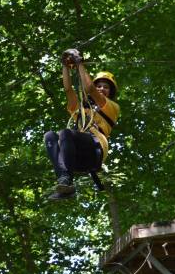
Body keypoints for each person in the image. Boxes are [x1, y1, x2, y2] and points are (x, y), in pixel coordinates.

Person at [44, 49, 120, 200]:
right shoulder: (82, 111)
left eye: (106, 87)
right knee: (50, 136)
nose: (101, 89)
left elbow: (89, 88)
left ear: (110, 92)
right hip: (77, 157)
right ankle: (65, 180)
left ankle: (66, 179)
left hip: (96, 148)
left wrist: (79, 63)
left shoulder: (111, 106)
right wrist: (65, 66)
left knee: (65, 133)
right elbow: (68, 89)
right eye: (100, 86)